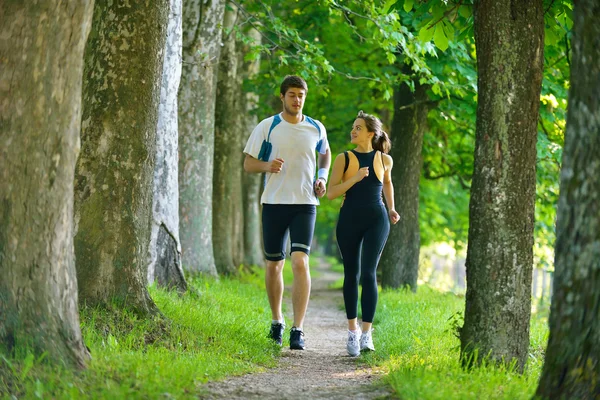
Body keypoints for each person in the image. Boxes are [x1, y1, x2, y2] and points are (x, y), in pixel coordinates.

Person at [243, 75, 331, 350]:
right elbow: (248, 164)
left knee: (300, 262)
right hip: (274, 202)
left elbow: (325, 153)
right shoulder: (268, 127)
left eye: (301, 95)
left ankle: (298, 329)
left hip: (305, 203)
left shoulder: (316, 128)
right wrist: (267, 166)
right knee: (273, 265)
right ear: (282, 97)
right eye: (292, 94)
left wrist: (323, 177)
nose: (297, 100)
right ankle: (277, 321)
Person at [326, 110, 400, 356]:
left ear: (371, 133)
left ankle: (367, 333)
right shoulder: (343, 159)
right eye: (353, 127)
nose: (353, 131)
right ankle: (352, 331)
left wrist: (392, 208)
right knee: (352, 273)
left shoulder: (384, 160)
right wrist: (355, 178)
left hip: (377, 219)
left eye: (358, 127)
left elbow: (387, 183)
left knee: (369, 273)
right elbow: (331, 192)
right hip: (349, 219)